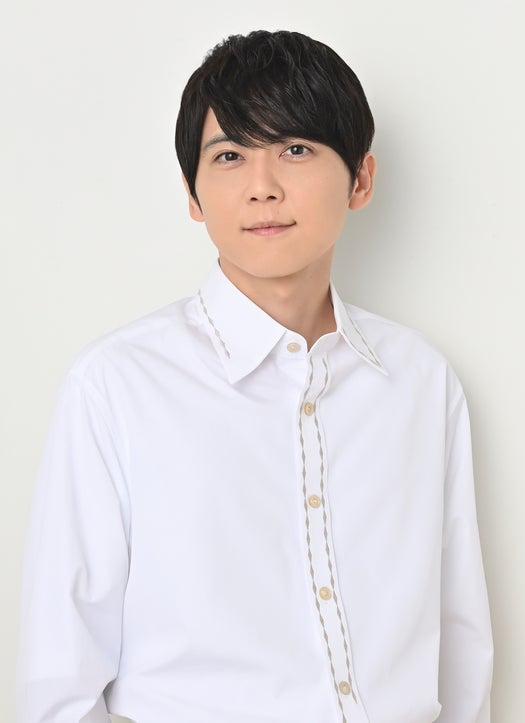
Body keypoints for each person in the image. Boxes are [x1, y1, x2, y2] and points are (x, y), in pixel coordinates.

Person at [15, 29, 493, 723]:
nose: (263, 187)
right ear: (192, 193)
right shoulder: (117, 385)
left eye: (295, 149)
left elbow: (460, 638)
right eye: (230, 155)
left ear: (361, 179)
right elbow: (61, 675)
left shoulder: (420, 380)